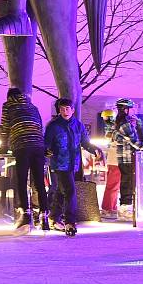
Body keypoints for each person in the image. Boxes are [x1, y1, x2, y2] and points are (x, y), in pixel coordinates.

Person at [44, 98, 103, 237]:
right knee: (70, 191)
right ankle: (70, 221)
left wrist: (94, 149)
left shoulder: (79, 125)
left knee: (60, 191)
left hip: (73, 163)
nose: (65, 111)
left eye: (67, 108)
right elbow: (46, 143)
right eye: (62, 109)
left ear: (73, 110)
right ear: (59, 110)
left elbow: (85, 142)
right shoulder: (53, 126)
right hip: (59, 163)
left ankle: (53, 217)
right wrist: (47, 151)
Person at [0, 88, 48, 232]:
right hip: (38, 146)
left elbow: (5, 128)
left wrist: (3, 148)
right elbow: (40, 127)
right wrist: (42, 146)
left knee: (21, 180)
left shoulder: (8, 105)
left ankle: (26, 215)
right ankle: (44, 216)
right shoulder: (33, 107)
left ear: (9, 97)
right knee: (39, 182)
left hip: (22, 145)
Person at [109, 98, 143, 219]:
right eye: (130, 108)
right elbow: (133, 140)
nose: (132, 111)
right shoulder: (124, 123)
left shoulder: (120, 122)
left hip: (125, 156)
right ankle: (125, 209)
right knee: (127, 183)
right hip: (126, 156)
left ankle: (125, 207)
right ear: (125, 109)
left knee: (127, 182)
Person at [99, 109, 120, 220]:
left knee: (113, 186)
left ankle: (109, 208)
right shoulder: (116, 126)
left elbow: (108, 141)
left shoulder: (110, 127)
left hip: (114, 160)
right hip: (115, 160)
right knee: (113, 186)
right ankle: (109, 208)